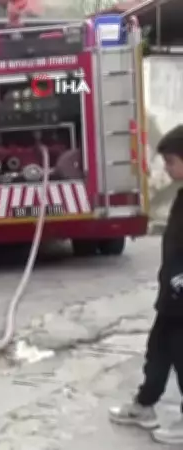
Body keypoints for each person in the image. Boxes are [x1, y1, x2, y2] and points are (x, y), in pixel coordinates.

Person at [108, 124, 183, 444]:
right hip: (172, 295)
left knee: (181, 355)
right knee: (158, 350)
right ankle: (144, 405)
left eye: (171, 161)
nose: (166, 168)